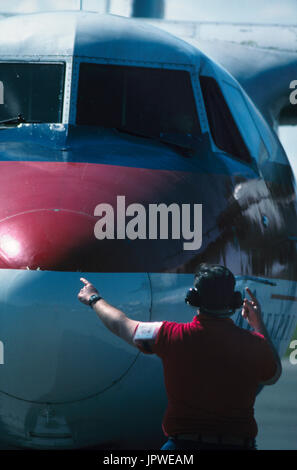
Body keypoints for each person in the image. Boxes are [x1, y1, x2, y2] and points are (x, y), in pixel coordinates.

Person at [77, 263, 282, 450]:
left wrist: (94, 299)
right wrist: (259, 325)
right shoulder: (255, 343)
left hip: (183, 446)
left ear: (193, 297)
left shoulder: (169, 335)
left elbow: (121, 325)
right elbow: (272, 375)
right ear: (234, 301)